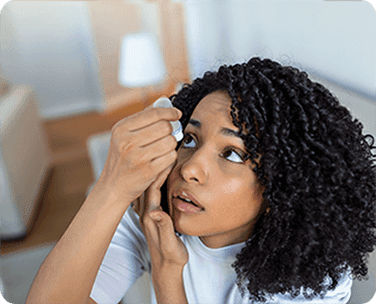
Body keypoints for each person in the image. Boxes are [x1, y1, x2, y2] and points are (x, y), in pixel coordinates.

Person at [27, 58, 376, 303]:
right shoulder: (155, 213)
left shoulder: (309, 280)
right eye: (190, 140)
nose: (190, 168)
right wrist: (110, 189)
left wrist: (167, 274)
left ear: (282, 186)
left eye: (233, 154)